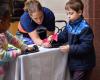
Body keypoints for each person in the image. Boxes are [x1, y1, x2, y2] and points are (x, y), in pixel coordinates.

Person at [43, 0, 96, 80]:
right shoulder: (70, 24)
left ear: (80, 12)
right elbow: (63, 36)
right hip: (74, 62)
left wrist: (70, 48)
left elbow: (86, 47)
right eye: (67, 13)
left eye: (71, 13)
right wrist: (53, 38)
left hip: (83, 64)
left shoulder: (85, 28)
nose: (68, 16)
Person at [0, 5, 34, 80]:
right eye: (8, 21)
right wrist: (19, 51)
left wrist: (25, 47)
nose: (9, 24)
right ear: (1, 22)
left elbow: (13, 40)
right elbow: (3, 56)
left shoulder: (4, 32)